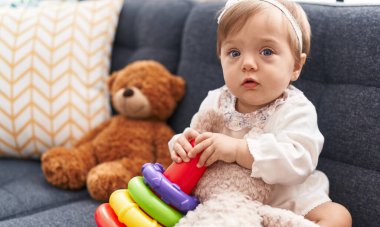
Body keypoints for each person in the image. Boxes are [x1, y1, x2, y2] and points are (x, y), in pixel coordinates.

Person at [168, 0, 352, 226]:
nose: (247, 64)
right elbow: (197, 140)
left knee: (338, 216)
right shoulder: (216, 100)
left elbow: (300, 161)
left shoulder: (295, 108)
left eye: (267, 51)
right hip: (227, 199)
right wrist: (181, 145)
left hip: (288, 199)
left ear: (296, 66)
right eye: (234, 52)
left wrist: (238, 150)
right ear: (221, 59)